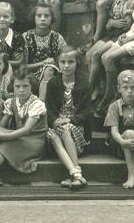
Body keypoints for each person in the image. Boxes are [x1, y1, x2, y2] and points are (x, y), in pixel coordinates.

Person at [86, 0, 134, 105]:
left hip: (121, 36)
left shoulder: (131, 1)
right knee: (89, 54)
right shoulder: (115, 0)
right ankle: (96, 87)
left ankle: (93, 90)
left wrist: (112, 23)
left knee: (97, 54)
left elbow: (126, 26)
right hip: (110, 34)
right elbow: (108, 25)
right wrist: (111, 22)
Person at [46, 46, 92, 189]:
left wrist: (69, 120)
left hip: (77, 127)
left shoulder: (84, 84)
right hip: (56, 126)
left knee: (65, 130)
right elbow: (49, 110)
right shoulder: (53, 83)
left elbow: (85, 113)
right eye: (62, 62)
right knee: (55, 135)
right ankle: (77, 175)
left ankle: (75, 173)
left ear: (77, 63)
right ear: (57, 63)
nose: (66, 66)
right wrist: (55, 122)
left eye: (70, 62)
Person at [22, 0, 67, 102]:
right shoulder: (25, 37)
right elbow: (22, 66)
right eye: (39, 16)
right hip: (31, 77)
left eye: (46, 16)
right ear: (34, 18)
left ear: (52, 18)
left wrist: (52, 65)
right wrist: (42, 63)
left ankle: (42, 104)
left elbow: (65, 60)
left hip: (53, 77)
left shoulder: (57, 37)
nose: (43, 19)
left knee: (49, 69)